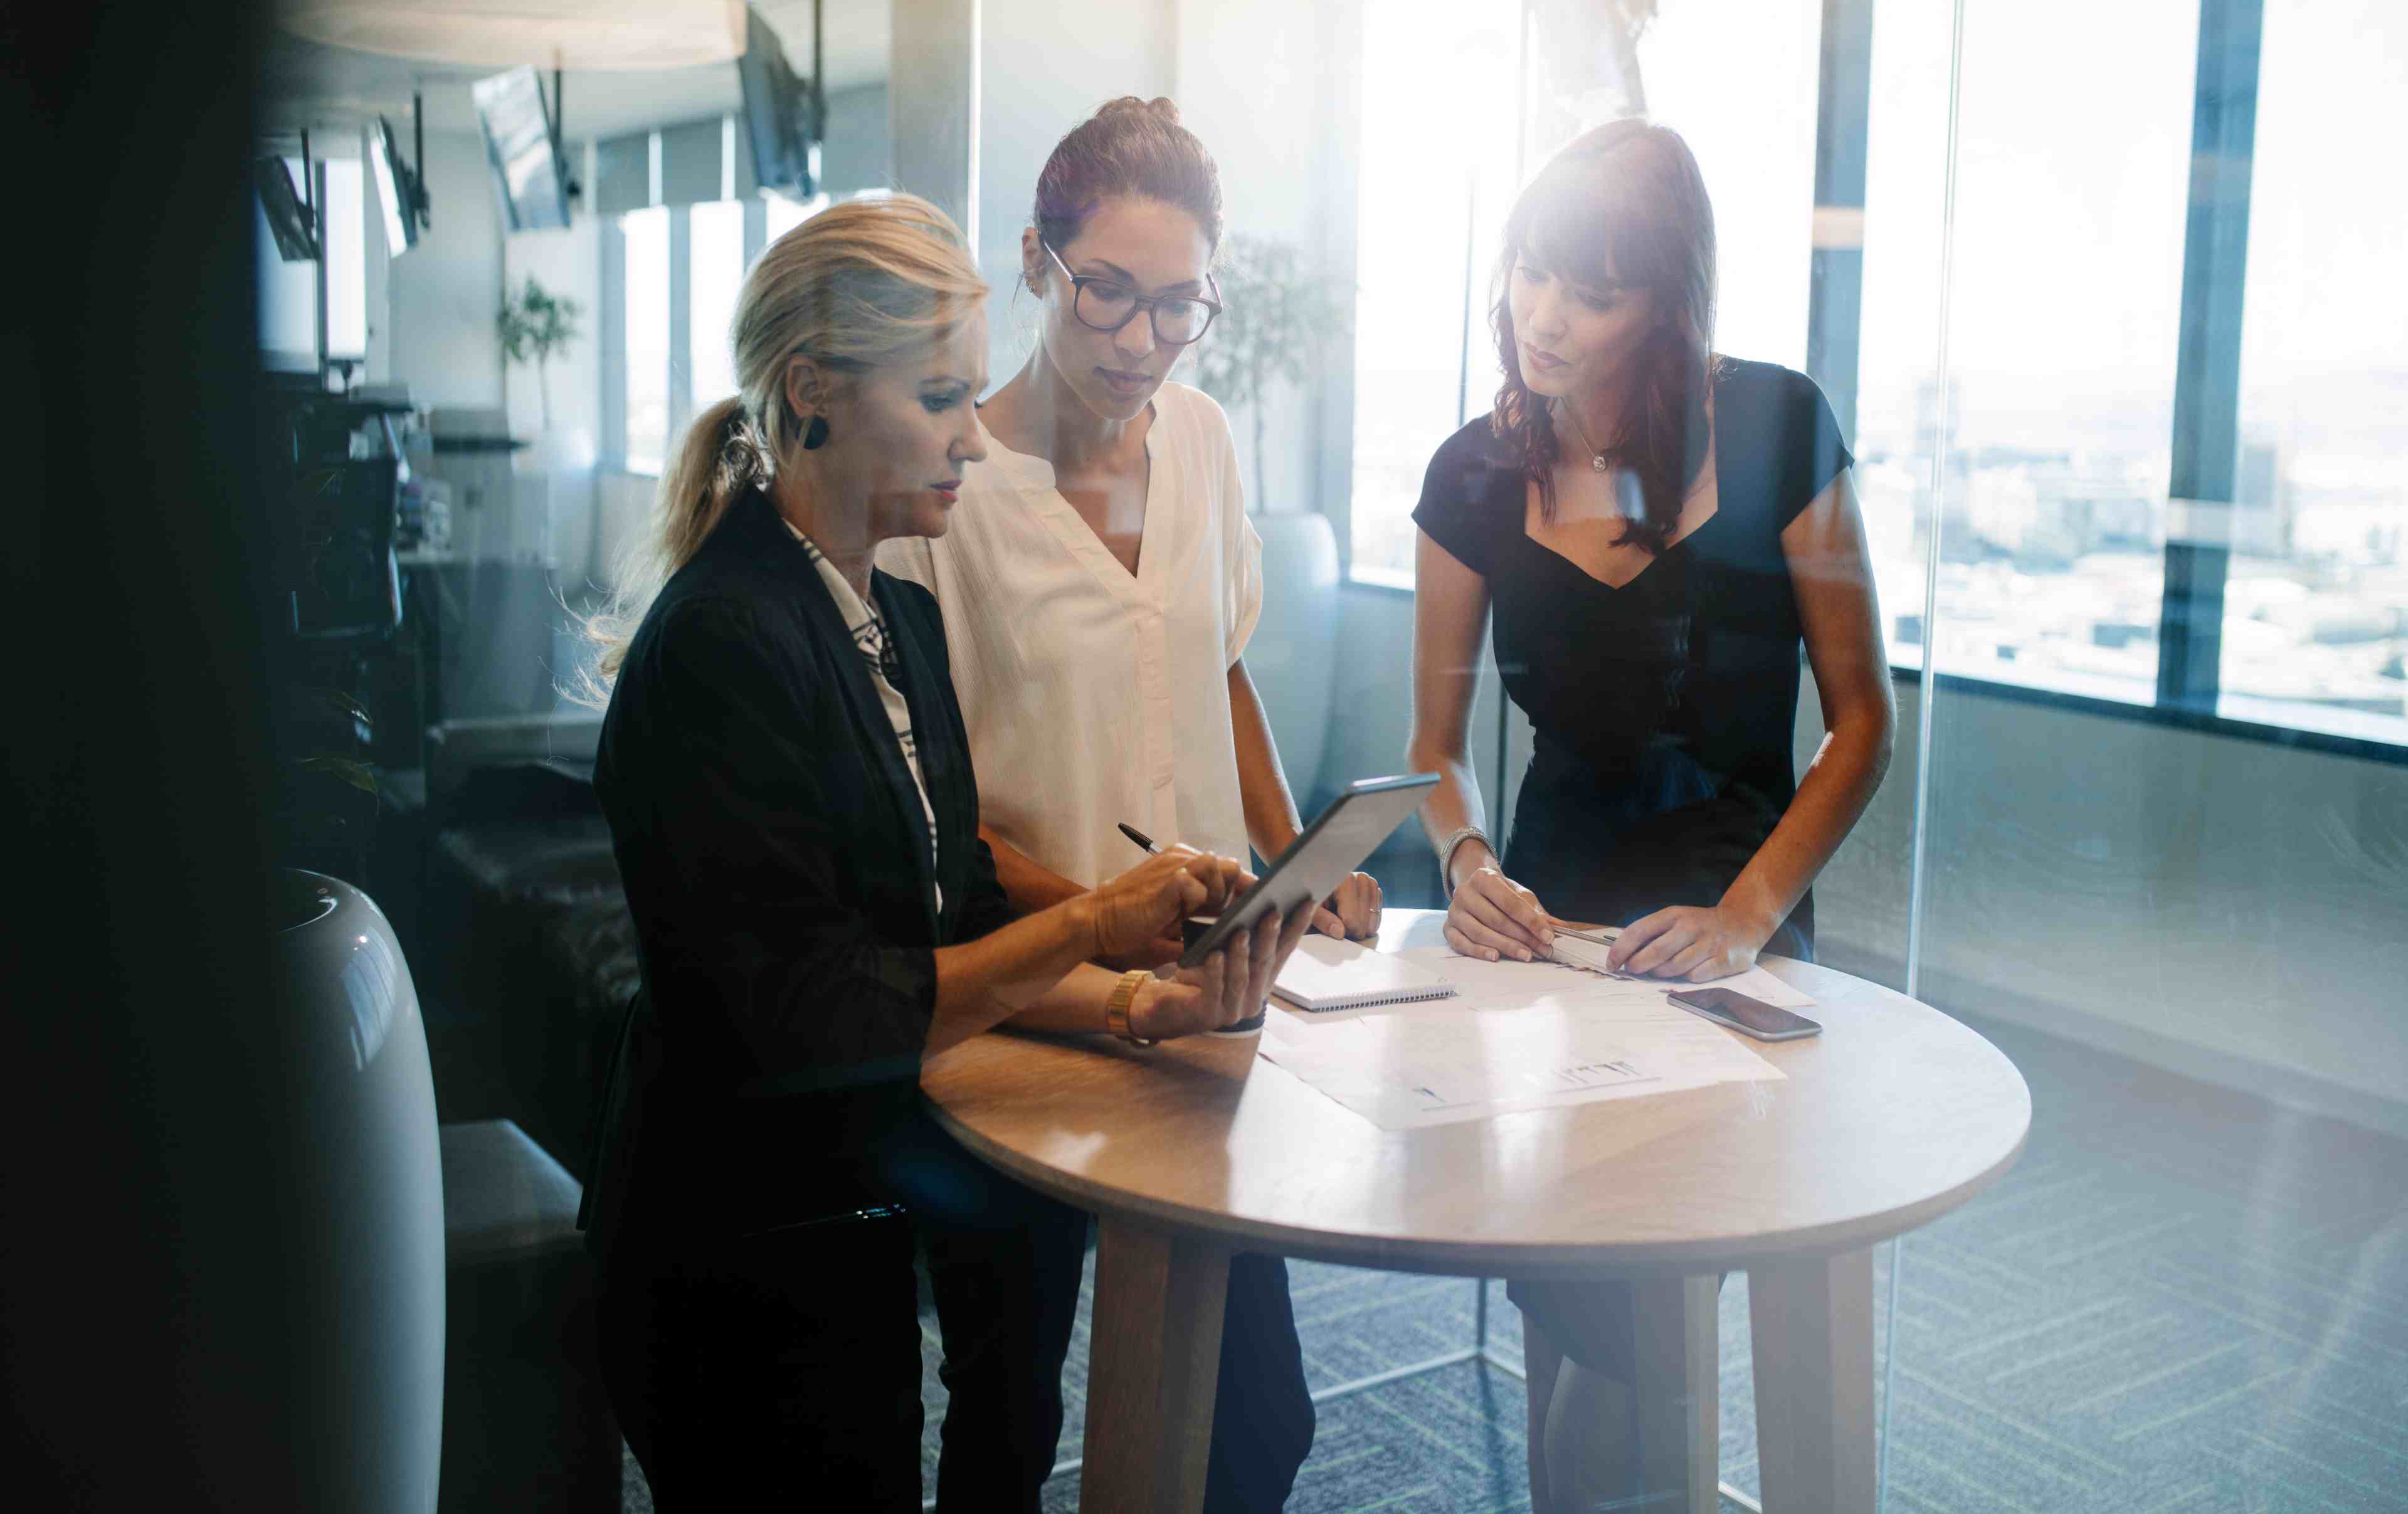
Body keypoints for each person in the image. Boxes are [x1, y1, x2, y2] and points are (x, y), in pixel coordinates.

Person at [575, 193, 1312, 1511]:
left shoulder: (890, 615)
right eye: (940, 400)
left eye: (974, 398)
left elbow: (957, 906)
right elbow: (816, 1007)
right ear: (811, 392)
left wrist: (1149, 1001)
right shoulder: (727, 641)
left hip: (834, 1231)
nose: (977, 440)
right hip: (731, 1250)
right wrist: (1092, 928)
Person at [1405, 121, 1895, 1507]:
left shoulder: (1779, 422)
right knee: (1570, 1294)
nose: (1545, 319)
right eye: (1533, 275)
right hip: (1545, 933)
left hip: (1729, 929)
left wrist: (1747, 919)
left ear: (1669, 300)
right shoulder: (1473, 472)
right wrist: (1466, 855)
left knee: (1657, 1308)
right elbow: (1435, 749)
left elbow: (1864, 722)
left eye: (1595, 292)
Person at [877, 95, 1348, 1510]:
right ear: (1037, 261)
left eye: (1178, 305)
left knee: (1255, 1421)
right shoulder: (948, 488)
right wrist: (1099, 925)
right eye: (1109, 293)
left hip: (1207, 1005)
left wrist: (1286, 856)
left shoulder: (1197, 439)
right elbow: (935, 820)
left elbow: (1225, 663)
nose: (1141, 340)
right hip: (1036, 1002)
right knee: (1008, 1415)